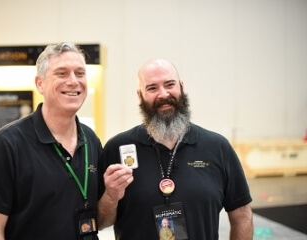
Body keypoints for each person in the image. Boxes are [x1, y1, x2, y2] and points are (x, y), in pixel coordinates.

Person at [97, 58, 253, 239]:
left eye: (169, 84)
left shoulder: (217, 147)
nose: (163, 94)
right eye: (152, 88)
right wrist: (111, 196)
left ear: (181, 87)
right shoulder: (117, 148)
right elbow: (100, 222)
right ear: (140, 96)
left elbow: (242, 217)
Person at [0, 42, 102, 240]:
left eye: (80, 73)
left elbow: (101, 217)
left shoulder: (91, 139)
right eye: (62, 73)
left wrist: (114, 194)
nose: (73, 81)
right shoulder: (6, 145)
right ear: (40, 83)